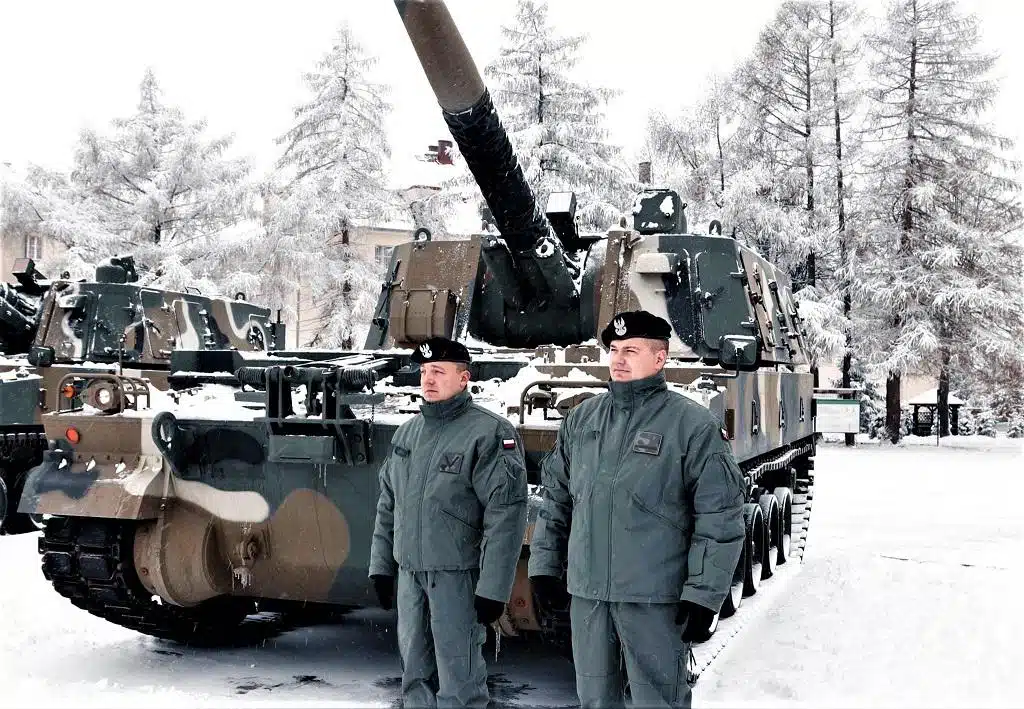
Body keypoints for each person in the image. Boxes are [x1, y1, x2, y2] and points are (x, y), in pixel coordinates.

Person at [528, 310, 747, 709]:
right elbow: (555, 500)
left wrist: (704, 594)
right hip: (589, 595)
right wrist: (544, 568)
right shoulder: (583, 420)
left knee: (657, 701)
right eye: (614, 350)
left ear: (660, 358)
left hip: (655, 600)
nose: (618, 359)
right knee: (594, 700)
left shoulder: (691, 425)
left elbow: (720, 517)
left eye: (631, 350)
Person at [368, 336, 529, 708]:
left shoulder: (489, 433)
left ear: (463, 378)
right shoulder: (408, 433)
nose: (428, 379)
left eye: (438, 371)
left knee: (460, 680)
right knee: (414, 676)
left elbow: (505, 516)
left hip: (458, 578)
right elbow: (389, 504)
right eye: (424, 371)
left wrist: (493, 589)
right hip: (411, 576)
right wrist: (382, 568)